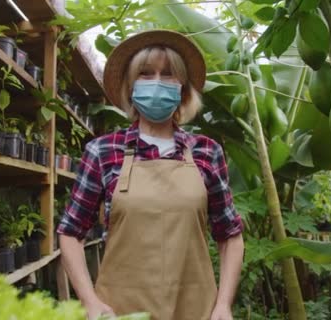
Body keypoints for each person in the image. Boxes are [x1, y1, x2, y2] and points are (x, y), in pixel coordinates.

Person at [58, 29, 244, 320]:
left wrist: (223, 305)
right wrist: (90, 301)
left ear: (182, 88)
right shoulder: (103, 152)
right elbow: (70, 233)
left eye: (168, 74)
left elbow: (230, 236)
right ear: (131, 86)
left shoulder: (207, 152)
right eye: (146, 74)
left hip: (196, 310)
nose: (157, 82)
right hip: (119, 312)